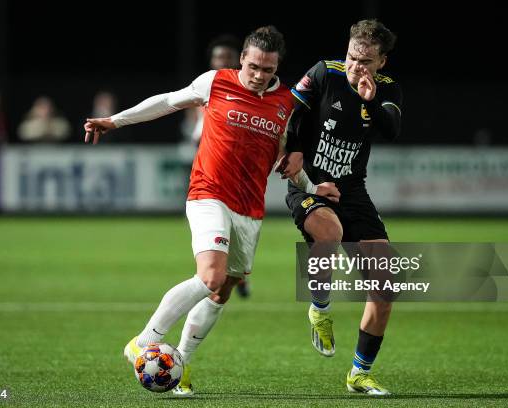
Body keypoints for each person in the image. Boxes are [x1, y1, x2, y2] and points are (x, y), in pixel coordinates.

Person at [83, 26, 339, 396]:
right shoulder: (216, 82)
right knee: (210, 277)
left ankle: (180, 363)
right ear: (242, 60)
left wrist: (314, 189)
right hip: (209, 194)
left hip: (249, 209)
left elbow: (289, 162)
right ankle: (144, 340)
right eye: (253, 66)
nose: (258, 75)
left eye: (267, 70)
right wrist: (115, 121)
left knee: (222, 291)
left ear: (276, 67)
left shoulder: (286, 103)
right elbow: (168, 101)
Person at [280, 19, 401, 395]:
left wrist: (369, 103)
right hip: (311, 185)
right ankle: (319, 307)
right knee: (328, 232)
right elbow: (291, 111)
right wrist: (294, 149)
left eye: (366, 61)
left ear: (381, 62)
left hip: (353, 190)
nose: (356, 66)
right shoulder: (323, 72)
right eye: (352, 57)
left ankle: (359, 374)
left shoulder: (386, 90)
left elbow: (392, 129)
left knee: (385, 287)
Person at [181, 34, 252, 299]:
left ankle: (233, 275)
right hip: (211, 175)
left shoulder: (251, 91)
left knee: (236, 237)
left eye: (227, 57)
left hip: (244, 178)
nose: (222, 62)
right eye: (218, 57)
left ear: (239, 60)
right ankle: (218, 274)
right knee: (214, 237)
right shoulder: (205, 88)